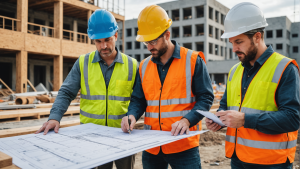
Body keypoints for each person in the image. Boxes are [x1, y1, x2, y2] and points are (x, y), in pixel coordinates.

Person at [35, 9, 138, 169]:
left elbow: (138, 98)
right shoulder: (83, 63)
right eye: (98, 41)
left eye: (107, 40)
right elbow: (66, 92)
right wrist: (55, 117)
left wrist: (131, 116)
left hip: (123, 135)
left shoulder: (132, 65)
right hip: (91, 137)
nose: (103, 46)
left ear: (116, 35)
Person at [205, 2, 300, 169]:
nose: (234, 48)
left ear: (257, 37)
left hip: (271, 162)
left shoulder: (285, 68)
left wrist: (245, 120)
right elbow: (226, 105)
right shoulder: (235, 71)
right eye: (232, 42)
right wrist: (219, 119)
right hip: (238, 158)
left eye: (239, 42)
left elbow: (292, 118)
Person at [120, 5, 214, 169]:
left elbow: (205, 98)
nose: (149, 47)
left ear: (167, 35)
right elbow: (138, 99)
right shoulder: (143, 66)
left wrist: (187, 120)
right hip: (152, 146)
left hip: (183, 144)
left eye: (153, 41)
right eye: (146, 42)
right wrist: (132, 115)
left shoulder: (192, 60)